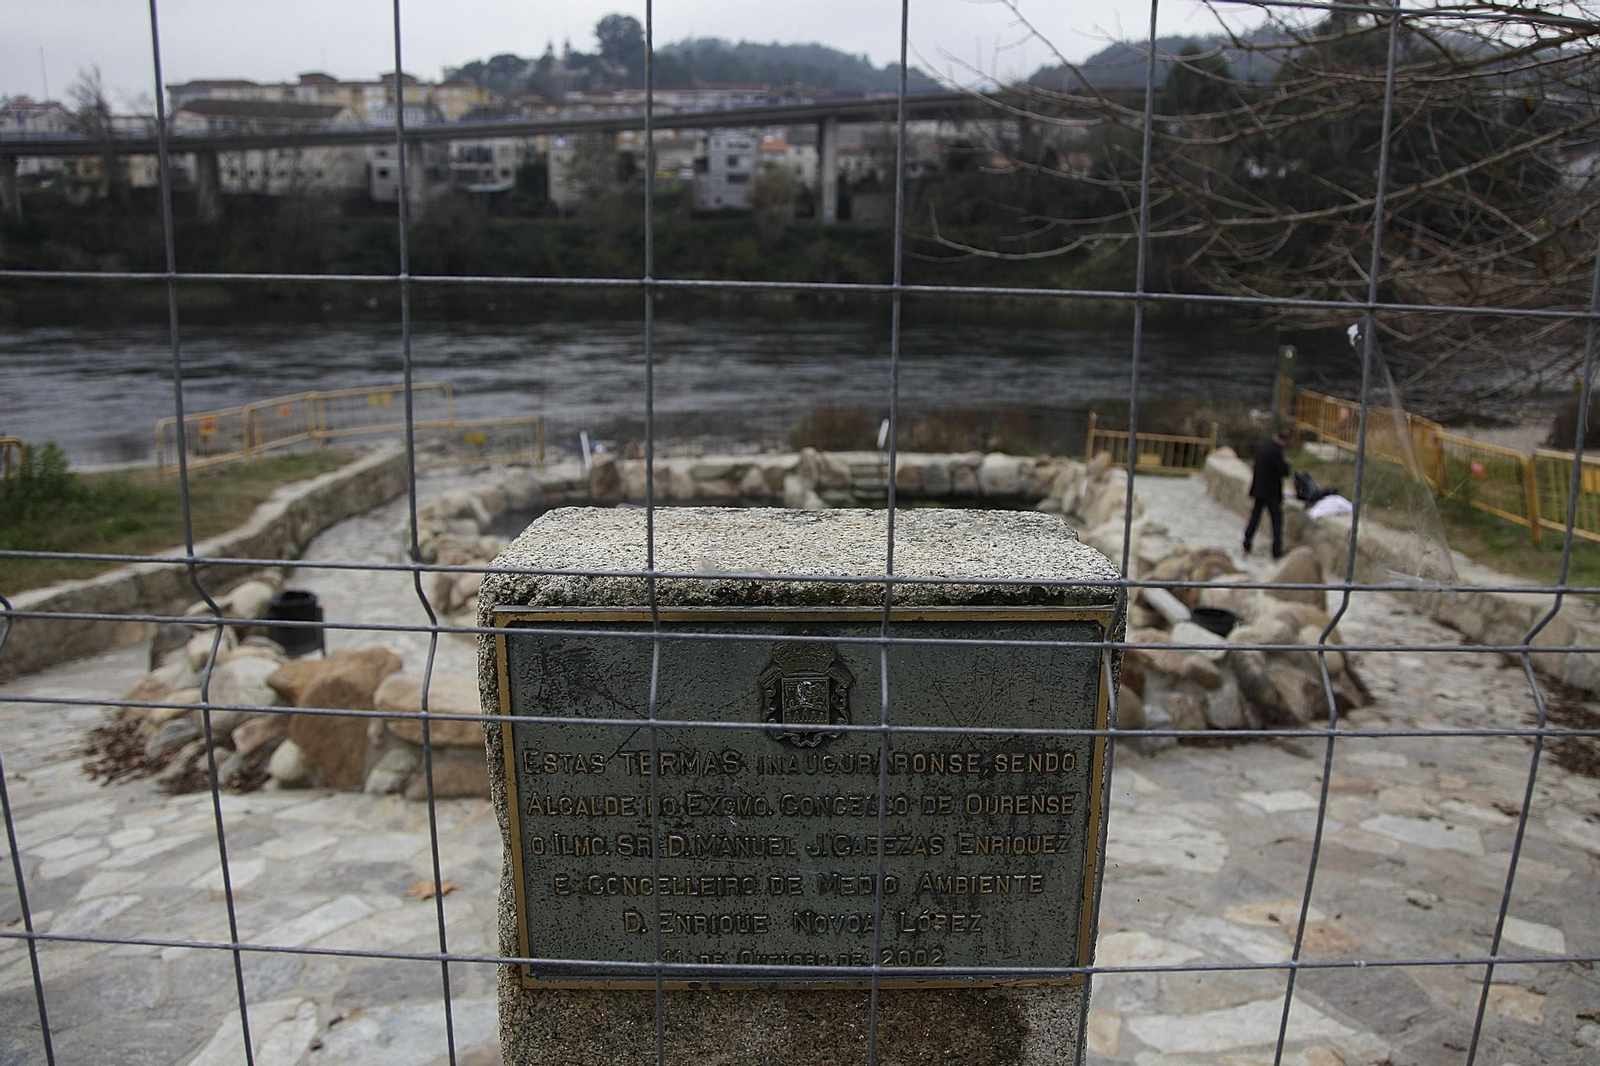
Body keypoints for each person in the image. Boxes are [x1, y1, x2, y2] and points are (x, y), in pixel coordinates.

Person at [1244, 428, 1292, 559]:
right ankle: (1276, 550)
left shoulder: (1263, 447)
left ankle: (1247, 543)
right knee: (1277, 521)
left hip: (1259, 490)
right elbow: (1284, 471)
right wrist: (1287, 464)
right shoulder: (1276, 452)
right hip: (1271, 493)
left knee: (1255, 518)